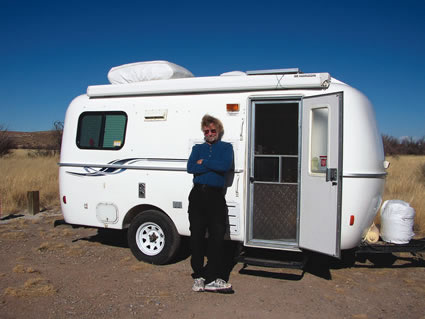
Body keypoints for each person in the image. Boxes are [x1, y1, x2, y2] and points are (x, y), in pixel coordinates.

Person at [187, 114, 234, 292]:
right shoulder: (197, 148)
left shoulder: (226, 147)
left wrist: (204, 162)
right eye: (206, 131)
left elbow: (224, 166)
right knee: (196, 236)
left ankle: (213, 277)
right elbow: (190, 167)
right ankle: (199, 276)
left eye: (213, 130)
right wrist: (209, 164)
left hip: (216, 196)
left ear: (219, 130)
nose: (210, 133)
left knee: (217, 236)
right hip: (197, 194)